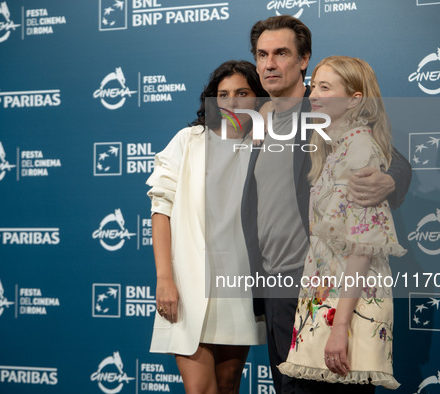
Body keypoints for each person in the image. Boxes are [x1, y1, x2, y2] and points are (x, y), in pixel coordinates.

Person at [241, 15, 412, 394]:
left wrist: (390, 179)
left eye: (281, 53)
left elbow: (390, 156)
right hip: (276, 287)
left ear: (303, 60)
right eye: (262, 55)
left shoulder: (322, 110)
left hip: (320, 287)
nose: (269, 63)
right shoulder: (259, 120)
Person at [278, 56, 406, 392]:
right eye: (313, 86)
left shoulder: (360, 149)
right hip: (324, 299)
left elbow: (362, 247)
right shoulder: (334, 148)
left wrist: (340, 326)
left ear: (355, 98)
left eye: (325, 87)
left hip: (347, 308)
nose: (314, 95)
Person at [146, 60, 269, 394]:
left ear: (258, 98)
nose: (230, 101)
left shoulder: (266, 146)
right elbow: (161, 210)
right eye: (223, 93)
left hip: (240, 284)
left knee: (228, 385)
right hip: (188, 285)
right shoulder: (189, 140)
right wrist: (164, 279)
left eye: (242, 93)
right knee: (200, 389)